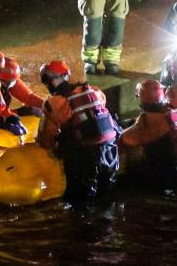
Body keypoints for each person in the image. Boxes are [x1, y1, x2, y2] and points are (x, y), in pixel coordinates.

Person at [38, 60, 120, 201]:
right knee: (105, 200)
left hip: (85, 159)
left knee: (80, 205)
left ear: (48, 81)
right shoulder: (94, 90)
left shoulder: (54, 103)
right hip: (111, 152)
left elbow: (46, 140)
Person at [120, 79, 177, 188]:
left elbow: (127, 138)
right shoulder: (174, 110)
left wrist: (116, 132)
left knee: (130, 171)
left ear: (142, 98)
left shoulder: (150, 119)